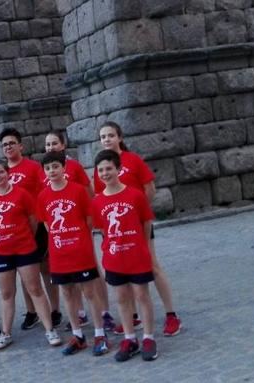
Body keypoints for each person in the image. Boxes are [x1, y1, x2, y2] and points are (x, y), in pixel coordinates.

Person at [95, 121, 181, 337]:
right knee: (123, 269)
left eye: (110, 135)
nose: (106, 139)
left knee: (152, 264)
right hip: (118, 230)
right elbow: (100, 196)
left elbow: (149, 188)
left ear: (120, 137)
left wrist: (138, 212)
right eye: (103, 136)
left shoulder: (132, 160)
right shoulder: (102, 167)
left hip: (136, 224)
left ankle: (171, 315)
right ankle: (132, 318)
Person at [0, 160, 61, 351]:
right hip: (1, 252)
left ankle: (50, 329)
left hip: (24, 248)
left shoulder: (22, 194)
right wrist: (1, 237)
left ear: (8, 174)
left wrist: (22, 236)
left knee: (35, 289)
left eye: (1, 172)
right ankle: (6, 333)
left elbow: (33, 221)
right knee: (7, 293)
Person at [37, 151, 110, 357]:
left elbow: (88, 220)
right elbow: (47, 224)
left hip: (80, 250)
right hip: (59, 254)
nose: (52, 171)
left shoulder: (78, 191)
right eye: (48, 168)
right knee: (67, 293)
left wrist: (78, 238)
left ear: (63, 168)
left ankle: (99, 334)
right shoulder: (43, 196)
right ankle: (78, 335)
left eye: (55, 166)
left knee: (89, 292)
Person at [43, 130, 116, 332]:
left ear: (63, 144)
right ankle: (80, 313)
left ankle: (104, 312)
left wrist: (85, 228)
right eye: (48, 144)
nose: (51, 147)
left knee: (92, 273)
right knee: (68, 278)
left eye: (54, 143)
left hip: (79, 230)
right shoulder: (47, 171)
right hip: (62, 234)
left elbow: (89, 193)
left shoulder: (73, 166)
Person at [91, 149, 158, 362]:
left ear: (118, 169)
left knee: (141, 295)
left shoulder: (135, 195)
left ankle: (148, 337)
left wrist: (143, 245)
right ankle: (130, 338)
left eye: (109, 168)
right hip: (114, 257)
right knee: (121, 297)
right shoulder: (97, 201)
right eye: (100, 170)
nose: (105, 173)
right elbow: (102, 229)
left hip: (136, 255)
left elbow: (146, 222)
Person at [0, 128, 55, 330]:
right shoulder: (1, 171)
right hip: (16, 231)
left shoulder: (32, 167)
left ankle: (54, 309)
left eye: (12, 143)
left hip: (37, 225)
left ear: (20, 146)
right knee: (25, 273)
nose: (8, 147)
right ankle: (32, 312)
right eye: (5, 144)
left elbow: (44, 193)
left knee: (46, 268)